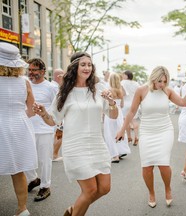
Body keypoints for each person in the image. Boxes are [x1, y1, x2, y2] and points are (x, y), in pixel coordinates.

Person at [32, 51, 118, 216]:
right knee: (90, 190)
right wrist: (43, 113)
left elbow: (113, 116)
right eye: (83, 64)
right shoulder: (65, 92)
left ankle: (73, 210)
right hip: (75, 146)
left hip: (97, 145)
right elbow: (53, 120)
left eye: (89, 64)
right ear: (74, 67)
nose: (87, 67)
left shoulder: (99, 89)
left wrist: (112, 103)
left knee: (105, 188)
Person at [116, 66, 186, 208]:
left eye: (165, 81)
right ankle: (151, 193)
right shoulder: (141, 90)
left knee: (163, 164)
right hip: (147, 131)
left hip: (165, 130)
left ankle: (167, 189)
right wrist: (122, 130)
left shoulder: (167, 91)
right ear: (153, 78)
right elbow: (131, 112)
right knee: (147, 166)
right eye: (160, 81)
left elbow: (184, 103)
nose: (162, 84)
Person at [0, 42, 37, 216]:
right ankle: (22, 209)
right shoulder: (25, 82)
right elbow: (31, 110)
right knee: (18, 170)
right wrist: (18, 116)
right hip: (20, 127)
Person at [25, 58, 57, 202]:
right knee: (25, 157)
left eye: (34, 70)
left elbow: (57, 108)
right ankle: (33, 179)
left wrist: (59, 127)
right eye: (29, 70)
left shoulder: (51, 87)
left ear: (43, 71)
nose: (31, 72)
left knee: (45, 160)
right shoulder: (25, 85)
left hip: (45, 129)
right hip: (27, 128)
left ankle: (45, 186)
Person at [104, 72, 131, 163]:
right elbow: (122, 105)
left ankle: (114, 155)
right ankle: (120, 151)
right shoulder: (120, 90)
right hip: (119, 113)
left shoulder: (109, 90)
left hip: (111, 113)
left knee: (109, 133)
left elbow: (106, 104)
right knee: (119, 132)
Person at [121, 70, 140, 146]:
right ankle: (136, 136)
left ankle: (129, 137)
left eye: (123, 74)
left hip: (125, 104)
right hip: (134, 103)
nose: (122, 76)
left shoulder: (122, 82)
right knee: (134, 120)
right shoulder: (136, 83)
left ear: (126, 75)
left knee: (126, 121)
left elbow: (121, 93)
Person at [51, 68, 65, 162]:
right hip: (56, 115)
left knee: (57, 134)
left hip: (54, 114)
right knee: (59, 133)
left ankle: (53, 154)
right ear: (58, 76)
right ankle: (54, 154)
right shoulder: (55, 87)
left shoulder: (52, 85)